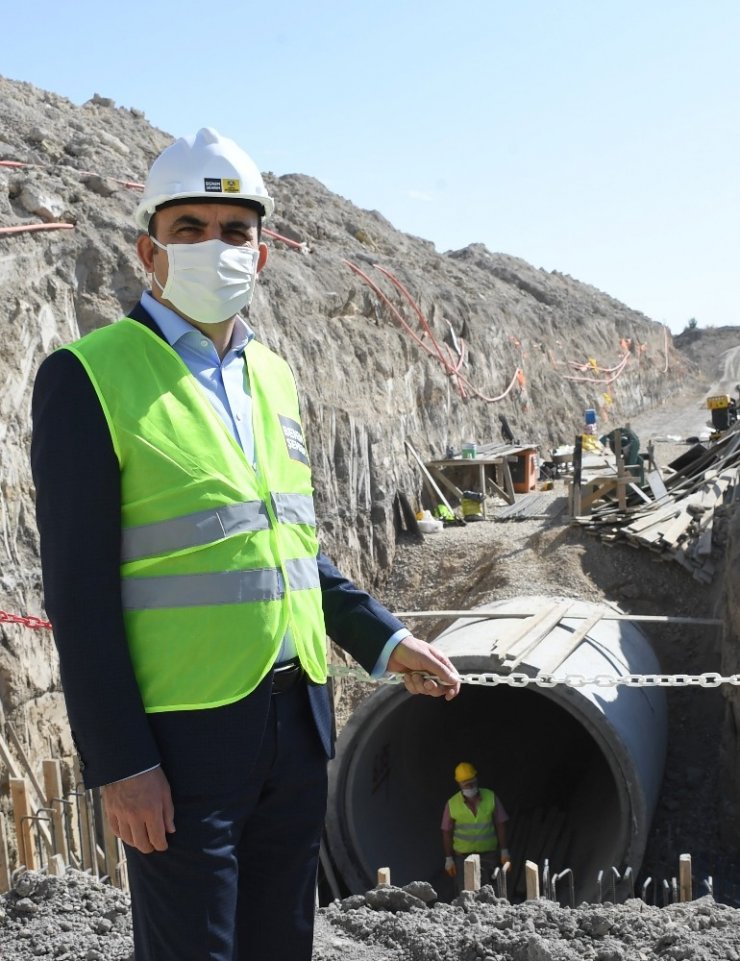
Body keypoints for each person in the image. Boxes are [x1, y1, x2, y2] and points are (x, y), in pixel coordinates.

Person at [30, 127, 462, 961]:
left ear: (262, 254)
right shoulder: (89, 376)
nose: (214, 247)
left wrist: (385, 638)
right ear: (147, 251)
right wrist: (122, 762)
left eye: (235, 230)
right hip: (182, 743)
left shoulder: (272, 374)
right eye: (189, 227)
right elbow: (76, 595)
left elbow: (289, 545)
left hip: (295, 722)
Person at [442, 761, 510, 891]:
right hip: (463, 858)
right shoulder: (452, 804)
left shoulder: (491, 797)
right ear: (459, 783)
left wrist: (504, 851)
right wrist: (449, 859)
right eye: (465, 782)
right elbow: (446, 832)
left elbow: (501, 824)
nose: (469, 785)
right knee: (465, 893)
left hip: (488, 856)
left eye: (471, 780)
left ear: (476, 778)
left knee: (491, 891)